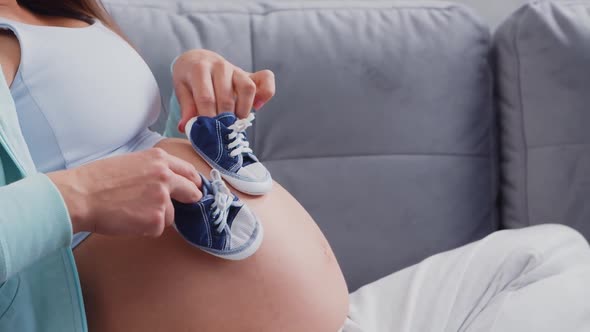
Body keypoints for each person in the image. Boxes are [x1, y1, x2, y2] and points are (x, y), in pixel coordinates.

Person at [0, 1, 589, 331]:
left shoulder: (52, 8)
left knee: (554, 255)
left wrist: (194, 79)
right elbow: (77, 183)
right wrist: (73, 195)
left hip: (337, 322)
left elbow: (93, 134)